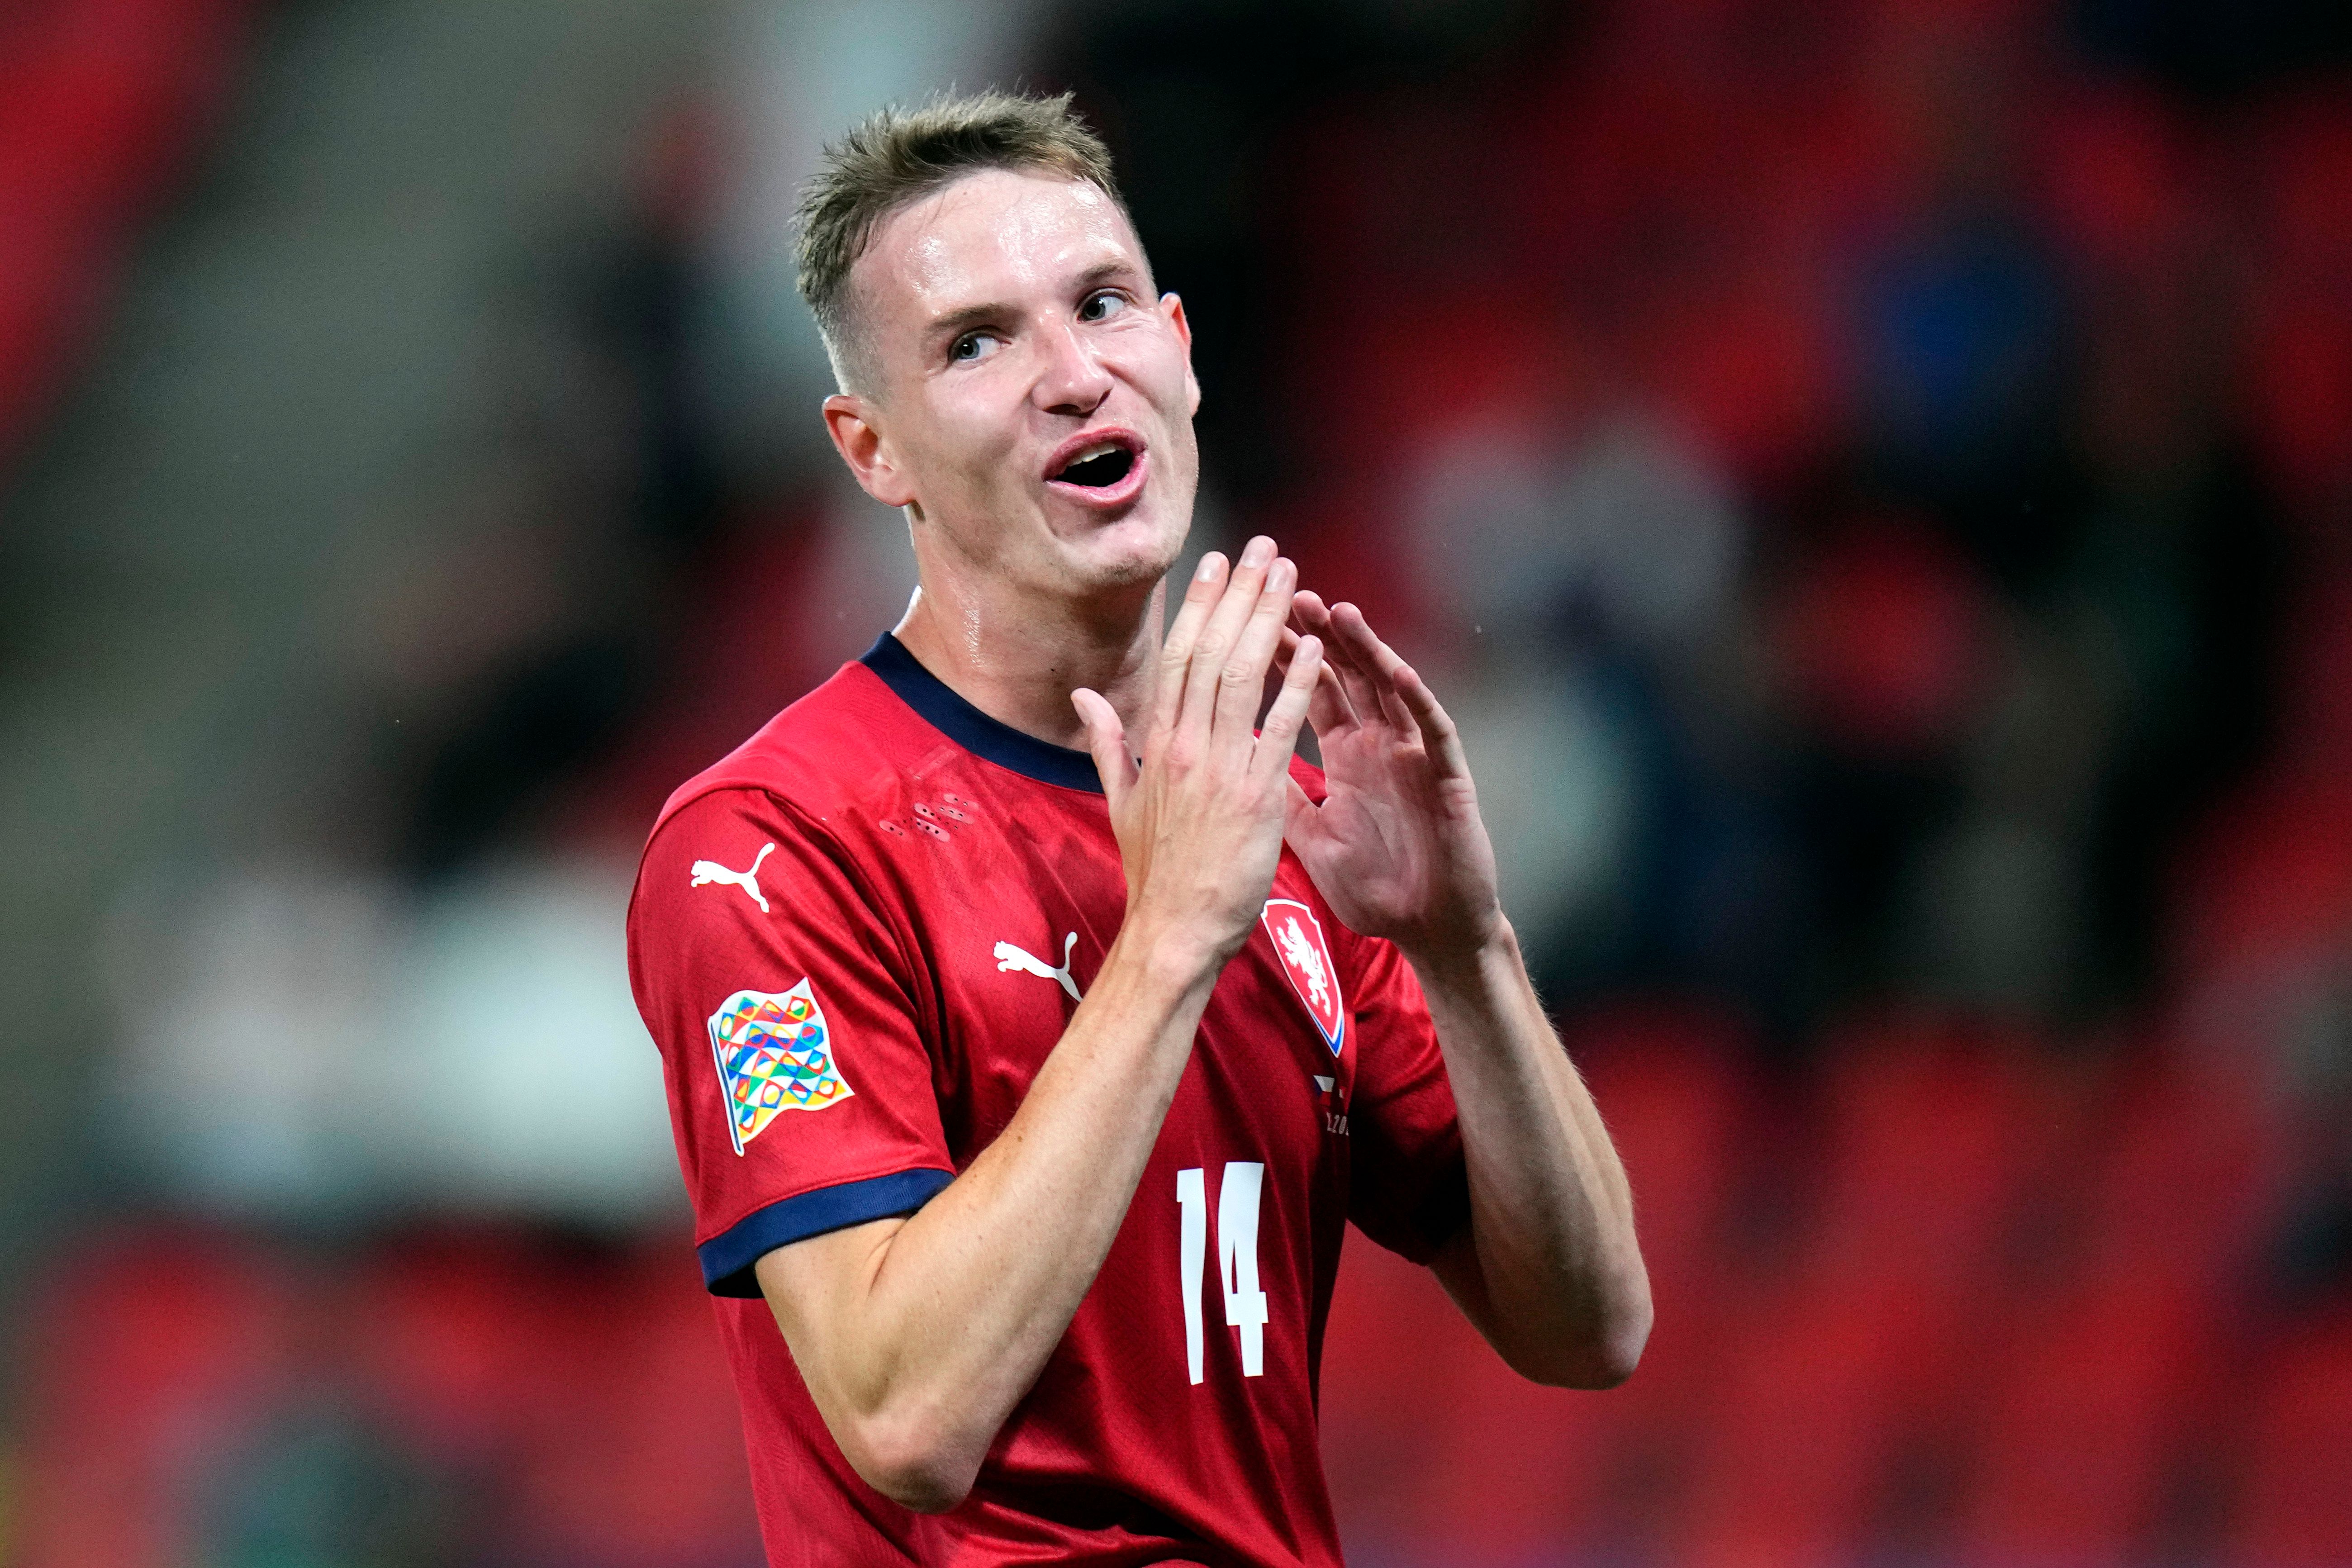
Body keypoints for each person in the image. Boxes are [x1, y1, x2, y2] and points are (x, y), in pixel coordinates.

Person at [626, 89, 1650, 1567]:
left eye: (1101, 305)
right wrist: (1168, 936)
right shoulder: (772, 846)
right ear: (872, 448)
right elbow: (907, 1414)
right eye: (975, 343)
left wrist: (1466, 945)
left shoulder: (1271, 822)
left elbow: (1590, 1325)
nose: (1071, 375)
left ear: (1178, 349)